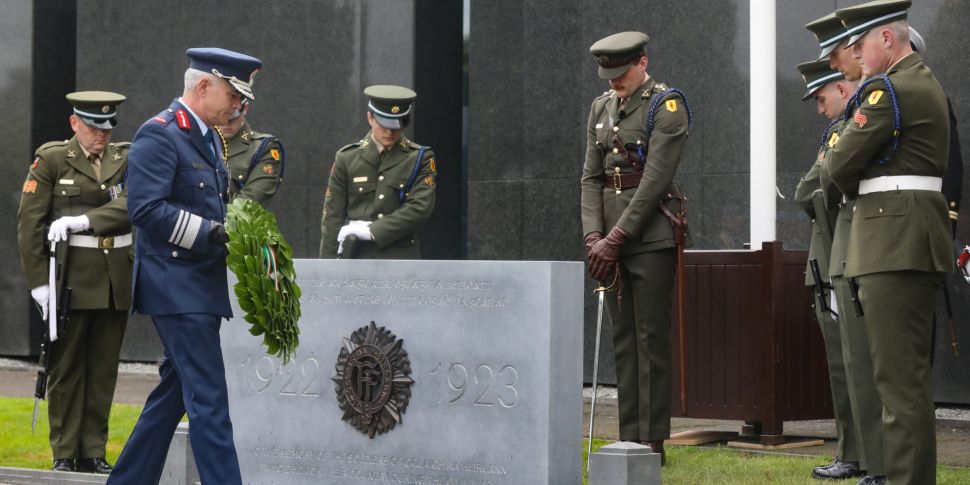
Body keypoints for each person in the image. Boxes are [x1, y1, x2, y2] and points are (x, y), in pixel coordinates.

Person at [106, 47, 262, 485]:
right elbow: (146, 209)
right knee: (210, 404)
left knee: (170, 398)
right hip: (176, 288)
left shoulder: (210, 137)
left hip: (198, 286)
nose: (239, 104)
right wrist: (210, 234)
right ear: (205, 85)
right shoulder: (159, 133)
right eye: (233, 93)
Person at [825, 2, 952, 484]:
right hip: (904, 238)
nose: (855, 55)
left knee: (898, 384)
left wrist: (853, 168)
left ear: (886, 40)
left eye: (859, 45)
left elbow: (837, 166)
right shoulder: (919, 84)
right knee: (905, 381)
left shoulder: (888, 90)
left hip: (893, 242)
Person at [580, 31, 690, 465]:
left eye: (621, 73)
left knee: (650, 341)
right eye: (608, 75)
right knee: (623, 342)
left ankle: (653, 443)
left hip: (649, 238)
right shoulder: (600, 107)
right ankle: (628, 440)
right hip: (607, 240)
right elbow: (591, 177)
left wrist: (615, 238)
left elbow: (655, 181)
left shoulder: (666, 105)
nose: (614, 82)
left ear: (643, 63)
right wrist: (593, 238)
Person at [16, 91, 131, 474]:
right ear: (74, 123)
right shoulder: (51, 159)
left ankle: (93, 451)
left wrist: (87, 220)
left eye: (108, 127)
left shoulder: (126, 158)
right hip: (69, 279)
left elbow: (137, 202)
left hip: (114, 277)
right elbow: (30, 224)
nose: (103, 134)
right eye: (95, 127)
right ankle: (65, 453)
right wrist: (38, 284)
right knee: (66, 370)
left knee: (102, 368)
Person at [793, 57, 867, 482]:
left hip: (845, 256)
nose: (820, 109)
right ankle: (851, 450)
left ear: (842, 88)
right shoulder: (834, 133)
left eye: (822, 99)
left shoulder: (852, 128)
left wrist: (820, 186)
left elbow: (815, 189)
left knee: (855, 367)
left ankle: (861, 453)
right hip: (828, 258)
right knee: (840, 368)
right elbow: (807, 189)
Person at [319, 85, 436, 259]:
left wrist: (372, 231)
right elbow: (332, 217)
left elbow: (420, 208)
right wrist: (326, 269)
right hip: (357, 255)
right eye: (384, 123)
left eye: (397, 124)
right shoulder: (347, 158)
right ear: (370, 118)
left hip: (401, 257)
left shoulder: (419, 157)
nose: (390, 131)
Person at [218, 100, 285, 205]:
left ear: (244, 108)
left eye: (232, 117)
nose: (226, 122)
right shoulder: (201, 141)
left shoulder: (263, 148)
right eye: (220, 115)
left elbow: (249, 204)